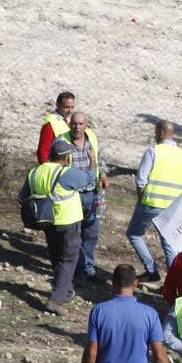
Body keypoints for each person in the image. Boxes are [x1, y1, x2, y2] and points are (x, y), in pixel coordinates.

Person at [19, 136, 92, 313]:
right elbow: (89, 178)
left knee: (56, 256)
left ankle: (65, 289)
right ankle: (56, 299)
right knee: (68, 258)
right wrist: (93, 162)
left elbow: (22, 196)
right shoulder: (65, 173)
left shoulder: (35, 172)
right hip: (67, 220)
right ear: (66, 157)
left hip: (47, 221)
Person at [126, 120, 182, 282]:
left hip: (152, 202)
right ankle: (174, 283)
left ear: (160, 133)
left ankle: (151, 269)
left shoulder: (154, 151)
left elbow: (141, 180)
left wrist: (141, 200)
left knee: (134, 234)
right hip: (173, 208)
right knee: (169, 245)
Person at [64, 110, 109, 279]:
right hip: (72, 194)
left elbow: (101, 159)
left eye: (81, 124)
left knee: (91, 232)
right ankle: (77, 268)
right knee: (74, 233)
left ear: (86, 125)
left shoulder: (92, 139)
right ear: (70, 124)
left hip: (92, 193)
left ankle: (88, 266)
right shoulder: (63, 141)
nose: (77, 127)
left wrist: (103, 174)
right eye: (74, 124)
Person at [37, 90, 76, 163]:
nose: (70, 111)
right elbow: (43, 151)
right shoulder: (50, 123)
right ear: (57, 105)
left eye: (72, 107)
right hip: (57, 168)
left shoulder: (71, 121)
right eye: (66, 107)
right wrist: (47, 170)